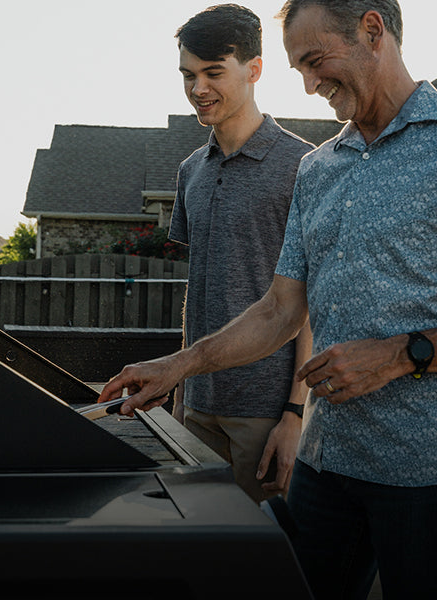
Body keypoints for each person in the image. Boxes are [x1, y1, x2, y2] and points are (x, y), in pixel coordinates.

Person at [100, 0, 437, 597]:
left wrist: (399, 354)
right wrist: (178, 365)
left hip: (423, 473)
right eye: (297, 68)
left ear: (372, 30)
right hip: (326, 463)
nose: (307, 85)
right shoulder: (319, 169)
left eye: (314, 60)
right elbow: (280, 310)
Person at [168, 4, 314, 503]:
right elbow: (198, 285)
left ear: (254, 69)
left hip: (266, 412)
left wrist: (295, 413)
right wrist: (181, 389)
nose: (198, 88)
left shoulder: (303, 166)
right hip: (197, 407)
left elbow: (310, 302)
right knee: (201, 543)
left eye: (213, 72)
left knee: (267, 547)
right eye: (188, 75)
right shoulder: (191, 171)